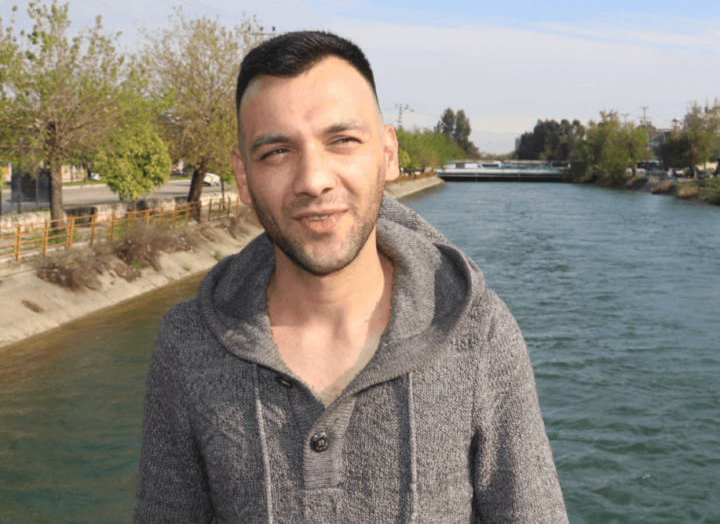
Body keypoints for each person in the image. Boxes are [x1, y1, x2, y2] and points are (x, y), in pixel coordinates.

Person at [134, 31, 568, 523]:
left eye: (342, 141)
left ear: (388, 154)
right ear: (243, 177)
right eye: (276, 151)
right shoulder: (187, 343)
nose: (313, 180)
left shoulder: (480, 331)